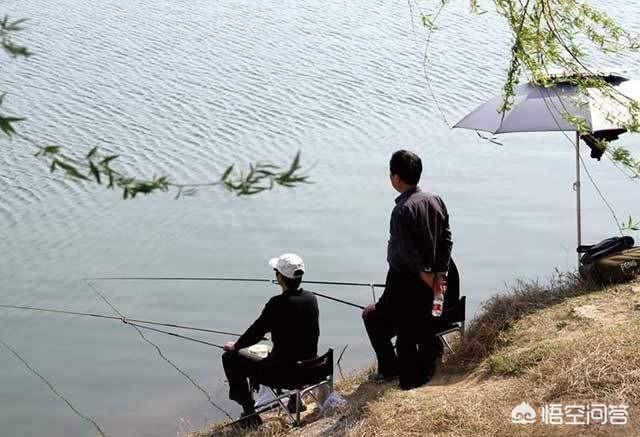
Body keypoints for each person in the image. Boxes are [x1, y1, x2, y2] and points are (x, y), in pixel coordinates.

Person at [362, 149, 453, 390]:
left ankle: (390, 369)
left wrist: (423, 273)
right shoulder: (436, 200)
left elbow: (406, 252)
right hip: (433, 284)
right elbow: (447, 238)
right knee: (403, 318)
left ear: (395, 178)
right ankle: (418, 355)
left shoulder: (401, 210)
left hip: (406, 285)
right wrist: (439, 273)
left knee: (371, 317)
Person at [221, 253, 319, 427]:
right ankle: (295, 399)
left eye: (276, 272)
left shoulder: (276, 304)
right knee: (287, 348)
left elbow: (255, 333)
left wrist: (235, 346)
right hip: (311, 369)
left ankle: (250, 415)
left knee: (230, 358)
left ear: (280, 277)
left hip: (284, 375)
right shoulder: (311, 299)